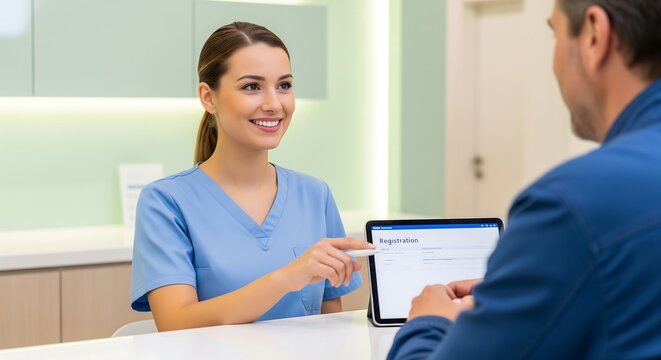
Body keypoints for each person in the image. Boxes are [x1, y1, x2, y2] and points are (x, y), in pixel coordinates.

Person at [388, 0, 661, 358]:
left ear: (595, 34)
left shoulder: (571, 205)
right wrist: (520, 298)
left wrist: (428, 322)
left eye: (555, 34)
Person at [130, 22, 373, 331]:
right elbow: (175, 323)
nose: (274, 104)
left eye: (284, 85)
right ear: (208, 97)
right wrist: (286, 278)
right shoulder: (165, 202)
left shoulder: (315, 195)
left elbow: (328, 327)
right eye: (252, 86)